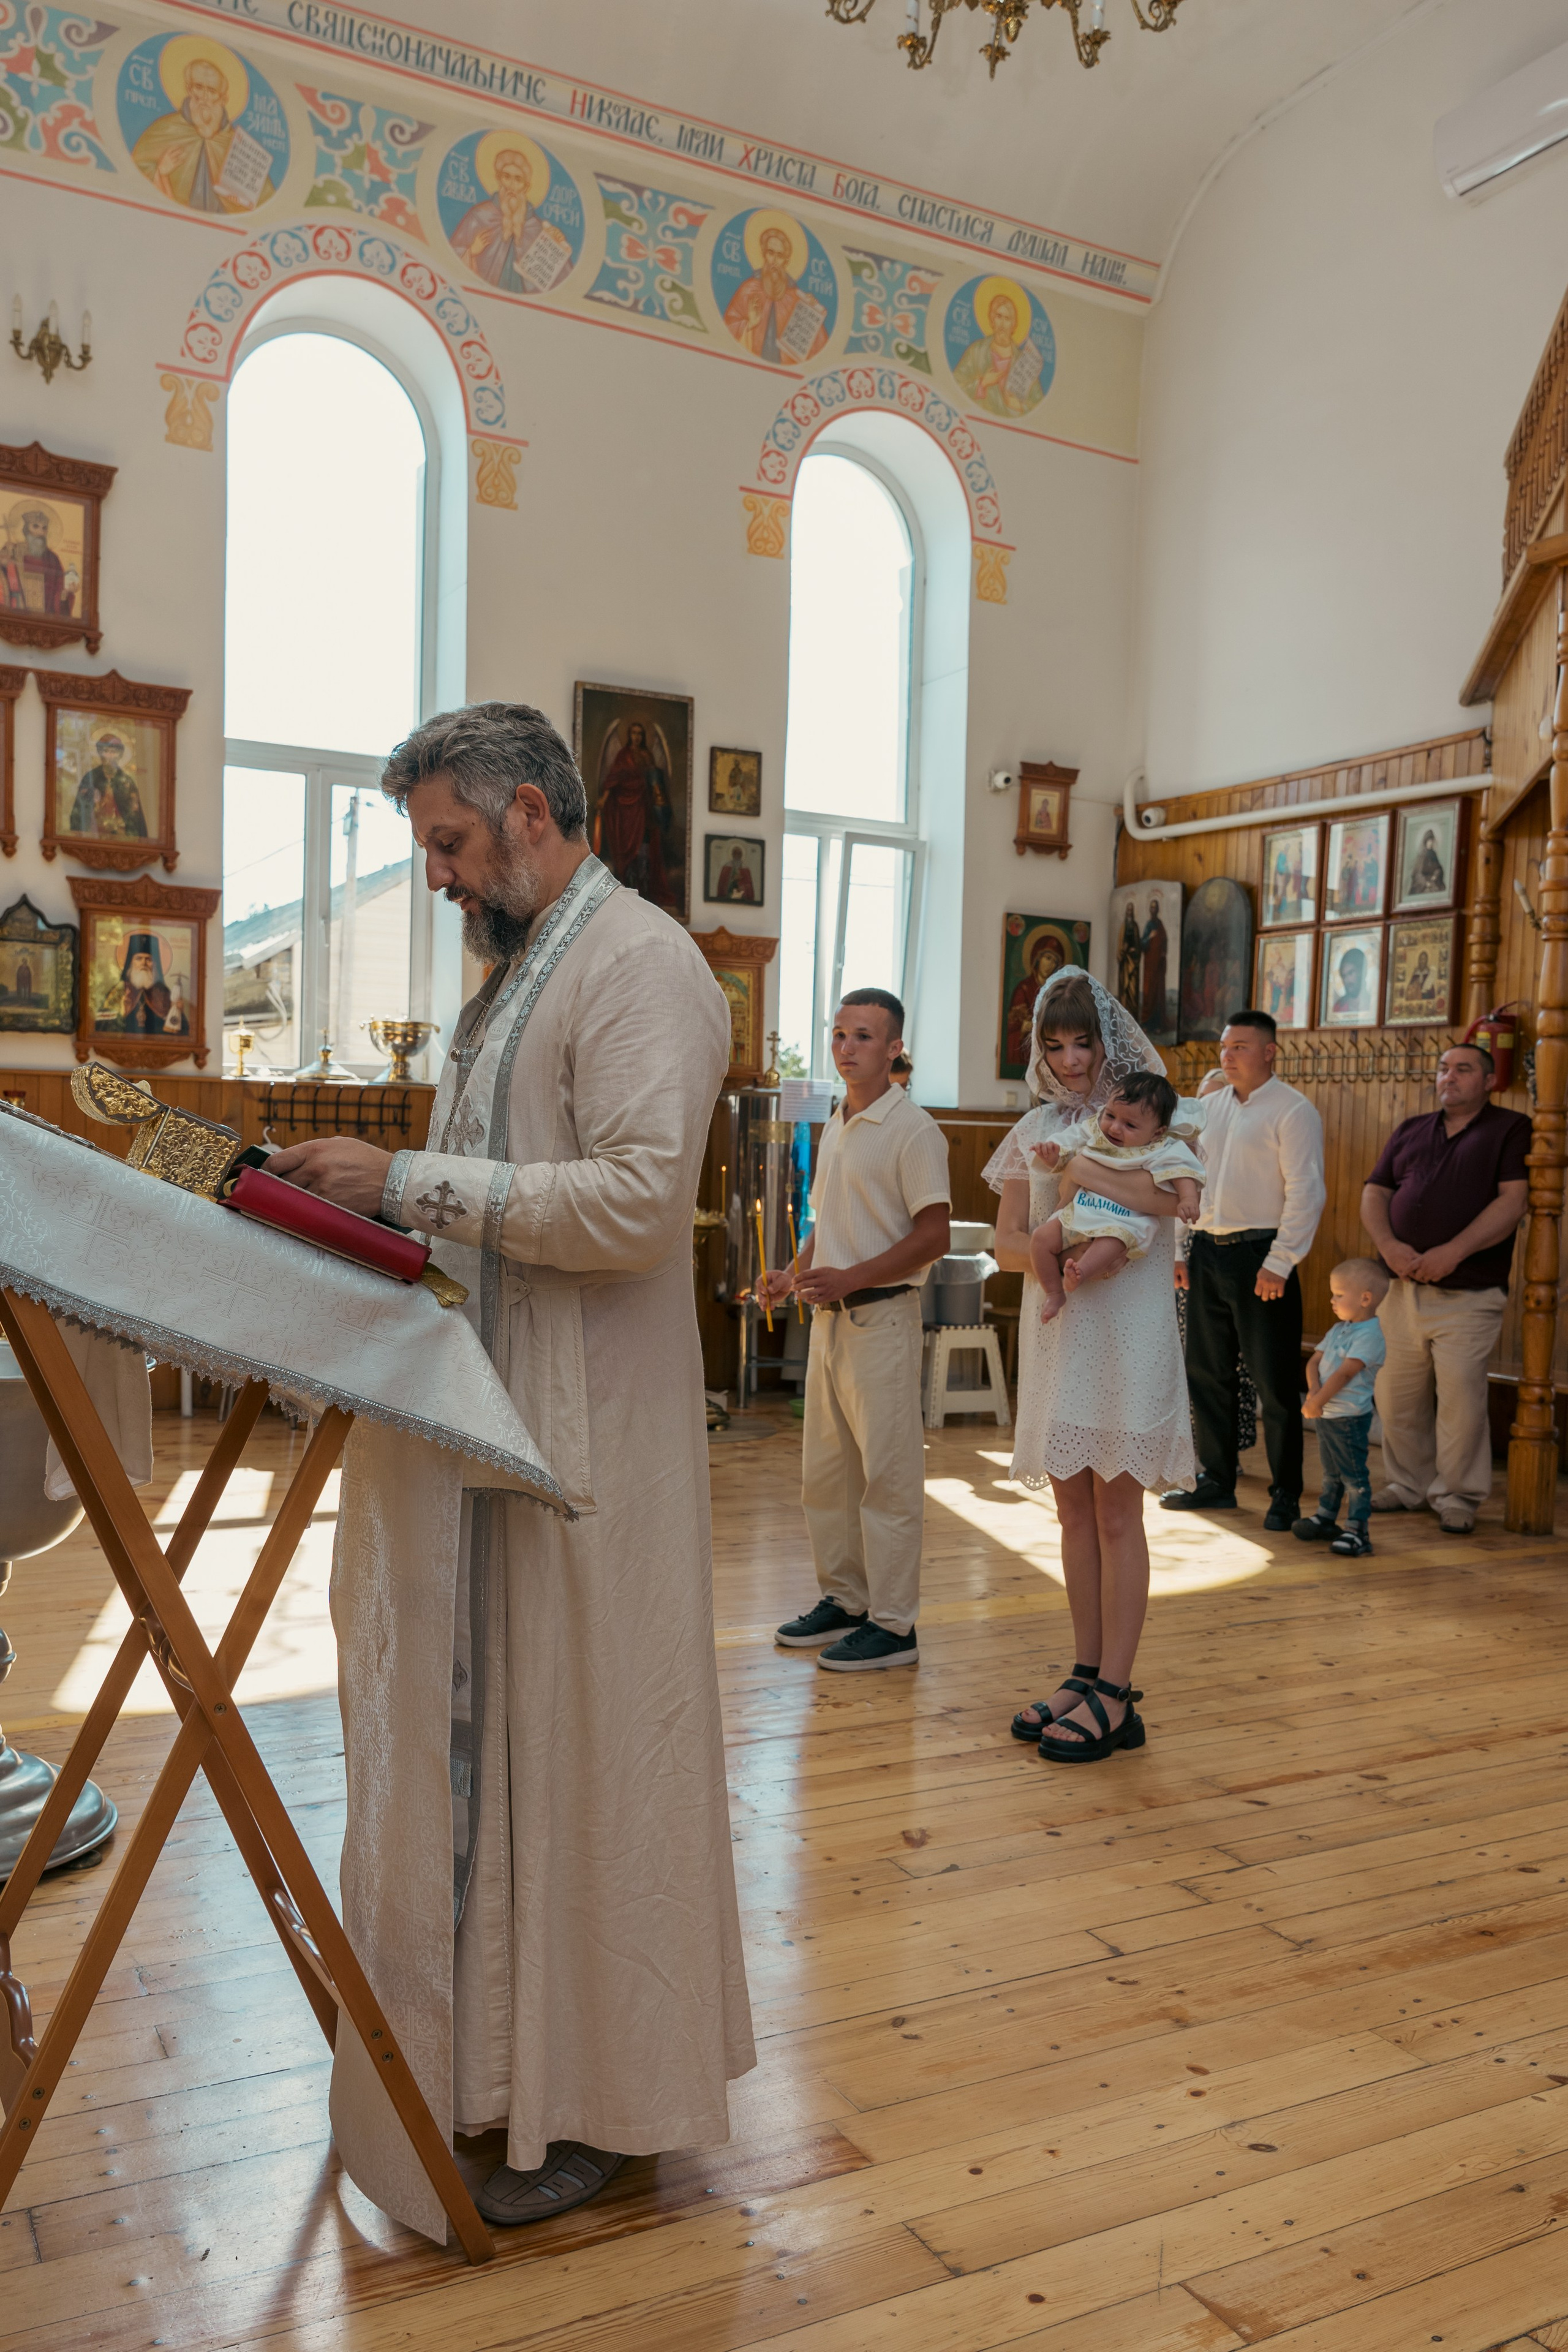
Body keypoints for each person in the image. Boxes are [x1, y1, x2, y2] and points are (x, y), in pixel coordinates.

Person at [262, 701, 753, 2236]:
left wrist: (399, 1180)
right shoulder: (518, 975)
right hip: (497, 1425)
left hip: (587, 1451)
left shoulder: (640, 965)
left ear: (535, 813)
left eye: (450, 844)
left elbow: (626, 1202)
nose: (438, 877)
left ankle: (607, 2103)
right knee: (505, 1761)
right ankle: (495, 2068)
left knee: (594, 1762)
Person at [989, 971, 1194, 1765]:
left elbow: (1172, 1204)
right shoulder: (1036, 1126)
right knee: (1072, 1514)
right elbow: (1009, 1239)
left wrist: (1080, 1177)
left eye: (1084, 1043)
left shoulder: (1157, 1121)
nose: (1072, 1061)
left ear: (1111, 1041)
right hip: (1062, 1328)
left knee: (1118, 1515)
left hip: (1130, 1332)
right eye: (1055, 1045)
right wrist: (1058, 1242)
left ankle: (1117, 1692)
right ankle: (1083, 1671)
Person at [768, 990, 951, 1672]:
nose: (847, 1048)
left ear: (894, 1048)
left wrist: (850, 1278)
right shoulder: (840, 1123)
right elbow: (827, 1225)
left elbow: (933, 1234)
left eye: (864, 1037)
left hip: (881, 1319)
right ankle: (844, 1600)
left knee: (887, 1478)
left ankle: (895, 1623)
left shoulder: (914, 1131)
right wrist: (791, 1275)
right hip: (828, 1324)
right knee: (827, 1475)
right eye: (840, 1034)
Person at [1161, 1008, 1325, 1531]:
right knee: (1206, 1373)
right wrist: (1180, 1250)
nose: (1227, 1055)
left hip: (1262, 1256)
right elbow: (1186, 1180)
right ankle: (1217, 1480)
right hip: (1208, 1250)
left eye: (1239, 1047)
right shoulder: (1207, 1108)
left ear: (1269, 1052)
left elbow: (1306, 1193)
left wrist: (1280, 1263)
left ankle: (1285, 1495)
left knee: (1274, 1383)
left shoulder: (1293, 1111)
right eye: (1225, 1047)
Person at [1360, 1040, 1531, 1534]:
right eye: (1442, 1068)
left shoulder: (1510, 1129)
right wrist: (1389, 1246)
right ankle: (1408, 1484)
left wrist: (1453, 1252)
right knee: (1397, 1396)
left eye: (1462, 1069)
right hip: (1400, 1287)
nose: (1449, 1077)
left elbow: (1513, 1202)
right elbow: (1376, 1191)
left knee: (1460, 1402)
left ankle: (1457, 1495)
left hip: (1469, 1293)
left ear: (1489, 1080)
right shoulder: (1412, 1129)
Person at [1028, 1071, 1204, 1321]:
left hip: (1123, 1221)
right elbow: (1071, 1139)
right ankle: (1054, 1292)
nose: (1115, 1127)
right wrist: (1053, 1153)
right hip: (1083, 1208)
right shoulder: (1097, 1130)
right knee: (1040, 1239)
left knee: (1111, 1244)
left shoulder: (1162, 1147)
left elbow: (1183, 1171)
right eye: (1110, 1115)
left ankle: (1081, 1272)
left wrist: (1188, 1199)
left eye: (1130, 1125)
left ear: (1157, 1132)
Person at [1294, 1259, 1389, 1558]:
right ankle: (1326, 1517)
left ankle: (1358, 1531)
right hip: (1325, 1413)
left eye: (1338, 1295)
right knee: (1331, 1472)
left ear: (1365, 1299)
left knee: (1354, 1476)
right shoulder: (1339, 1329)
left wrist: (1316, 1402)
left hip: (1348, 1418)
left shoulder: (1370, 1335)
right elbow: (1314, 1362)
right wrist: (1313, 1394)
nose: (1332, 1300)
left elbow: (1345, 1374)